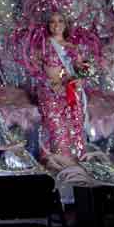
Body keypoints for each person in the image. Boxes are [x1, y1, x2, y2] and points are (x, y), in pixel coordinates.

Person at [33, 11, 89, 162]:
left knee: (74, 126)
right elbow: (35, 71)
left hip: (70, 92)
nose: (56, 25)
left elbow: (83, 70)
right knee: (56, 127)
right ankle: (57, 162)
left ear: (65, 25)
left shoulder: (72, 47)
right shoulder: (43, 46)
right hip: (49, 91)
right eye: (52, 21)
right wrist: (50, 83)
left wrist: (80, 80)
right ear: (48, 25)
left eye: (60, 21)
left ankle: (75, 163)